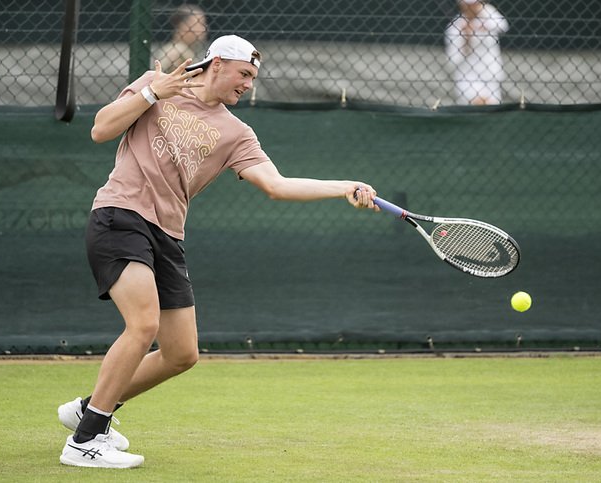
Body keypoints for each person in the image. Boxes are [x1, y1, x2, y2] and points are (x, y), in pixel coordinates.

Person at [57, 34, 379, 468]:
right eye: (244, 74)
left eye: (253, 78)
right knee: (143, 323)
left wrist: (344, 186)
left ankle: (89, 406)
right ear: (216, 64)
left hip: (168, 235)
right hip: (121, 215)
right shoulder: (158, 83)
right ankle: (85, 438)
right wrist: (153, 92)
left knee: (181, 353)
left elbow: (277, 185)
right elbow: (101, 129)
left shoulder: (236, 132)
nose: (248, 84)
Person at [444, 0, 509, 105]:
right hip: (467, 78)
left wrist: (482, 23)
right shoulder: (455, 27)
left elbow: (503, 26)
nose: (474, 7)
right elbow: (453, 60)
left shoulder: (488, 13)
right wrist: (466, 39)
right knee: (478, 105)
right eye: (470, 5)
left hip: (491, 75)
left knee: (493, 107)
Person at [155, 4, 208, 72]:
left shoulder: (189, 49)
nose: (204, 29)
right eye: (199, 23)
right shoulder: (177, 51)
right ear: (181, 25)